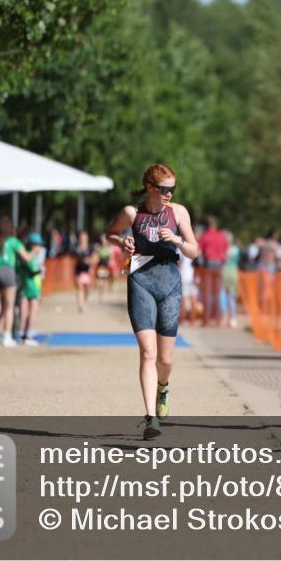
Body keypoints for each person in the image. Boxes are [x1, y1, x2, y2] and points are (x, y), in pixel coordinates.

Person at [105, 164, 198, 440]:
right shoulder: (132, 212)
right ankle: (150, 418)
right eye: (164, 189)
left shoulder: (178, 212)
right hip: (141, 281)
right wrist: (122, 243)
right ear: (149, 187)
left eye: (173, 189)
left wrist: (177, 240)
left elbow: (193, 250)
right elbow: (110, 233)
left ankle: (163, 387)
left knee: (165, 359)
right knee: (148, 353)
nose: (169, 194)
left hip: (170, 283)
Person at [0, 217, 37, 347]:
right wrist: (35, 251)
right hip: (7, 272)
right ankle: (7, 336)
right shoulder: (13, 241)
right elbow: (27, 258)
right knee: (9, 307)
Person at [198, 216, 229, 326]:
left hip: (208, 265)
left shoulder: (204, 235)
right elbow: (227, 252)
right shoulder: (222, 236)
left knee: (207, 293)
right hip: (219, 265)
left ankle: (206, 320)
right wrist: (223, 262)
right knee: (217, 293)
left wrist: (201, 265)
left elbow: (199, 252)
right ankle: (217, 320)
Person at [17, 232, 47, 345]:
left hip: (26, 285)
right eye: (38, 245)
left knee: (24, 309)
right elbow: (34, 269)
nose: (40, 248)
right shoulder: (29, 255)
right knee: (30, 309)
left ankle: (22, 333)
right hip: (30, 286)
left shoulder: (25, 253)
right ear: (34, 245)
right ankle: (26, 333)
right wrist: (40, 268)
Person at [74, 231, 97, 313]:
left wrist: (89, 261)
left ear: (87, 238)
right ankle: (80, 305)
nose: (82, 239)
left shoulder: (90, 248)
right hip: (79, 271)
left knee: (87, 289)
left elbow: (95, 258)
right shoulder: (77, 248)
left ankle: (84, 300)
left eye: (84, 237)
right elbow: (74, 258)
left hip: (87, 271)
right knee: (80, 288)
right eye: (81, 238)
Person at [220, 232, 240, 328]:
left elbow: (224, 259)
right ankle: (232, 318)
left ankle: (224, 317)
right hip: (234, 272)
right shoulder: (236, 249)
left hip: (225, 271)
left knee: (223, 295)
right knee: (231, 296)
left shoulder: (225, 249)